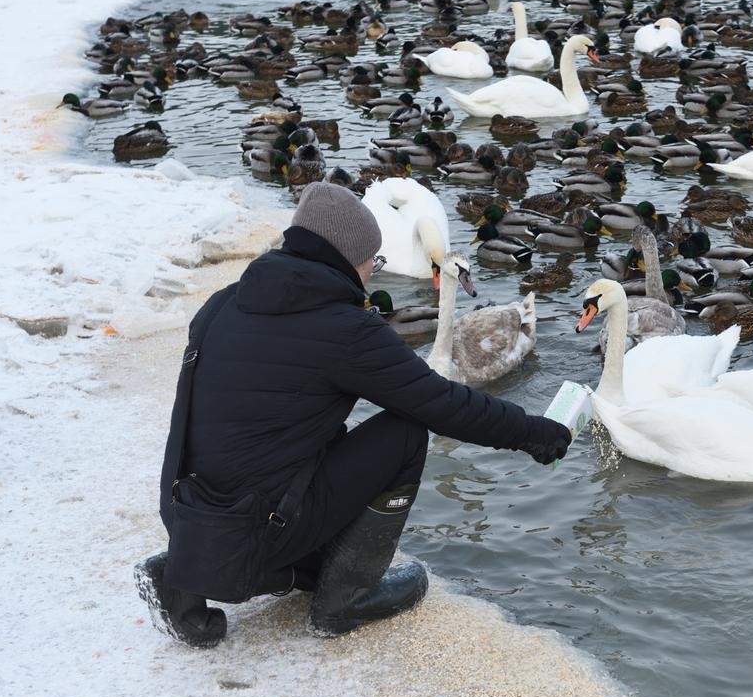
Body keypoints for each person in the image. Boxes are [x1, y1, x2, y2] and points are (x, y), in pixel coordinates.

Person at [134, 183, 571, 648]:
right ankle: (346, 598)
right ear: (348, 259)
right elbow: (443, 404)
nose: (371, 274)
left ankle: (191, 576)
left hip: (186, 511)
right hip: (260, 524)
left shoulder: (222, 304)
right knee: (404, 431)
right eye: (372, 262)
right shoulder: (344, 329)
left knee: (297, 430)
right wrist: (532, 431)